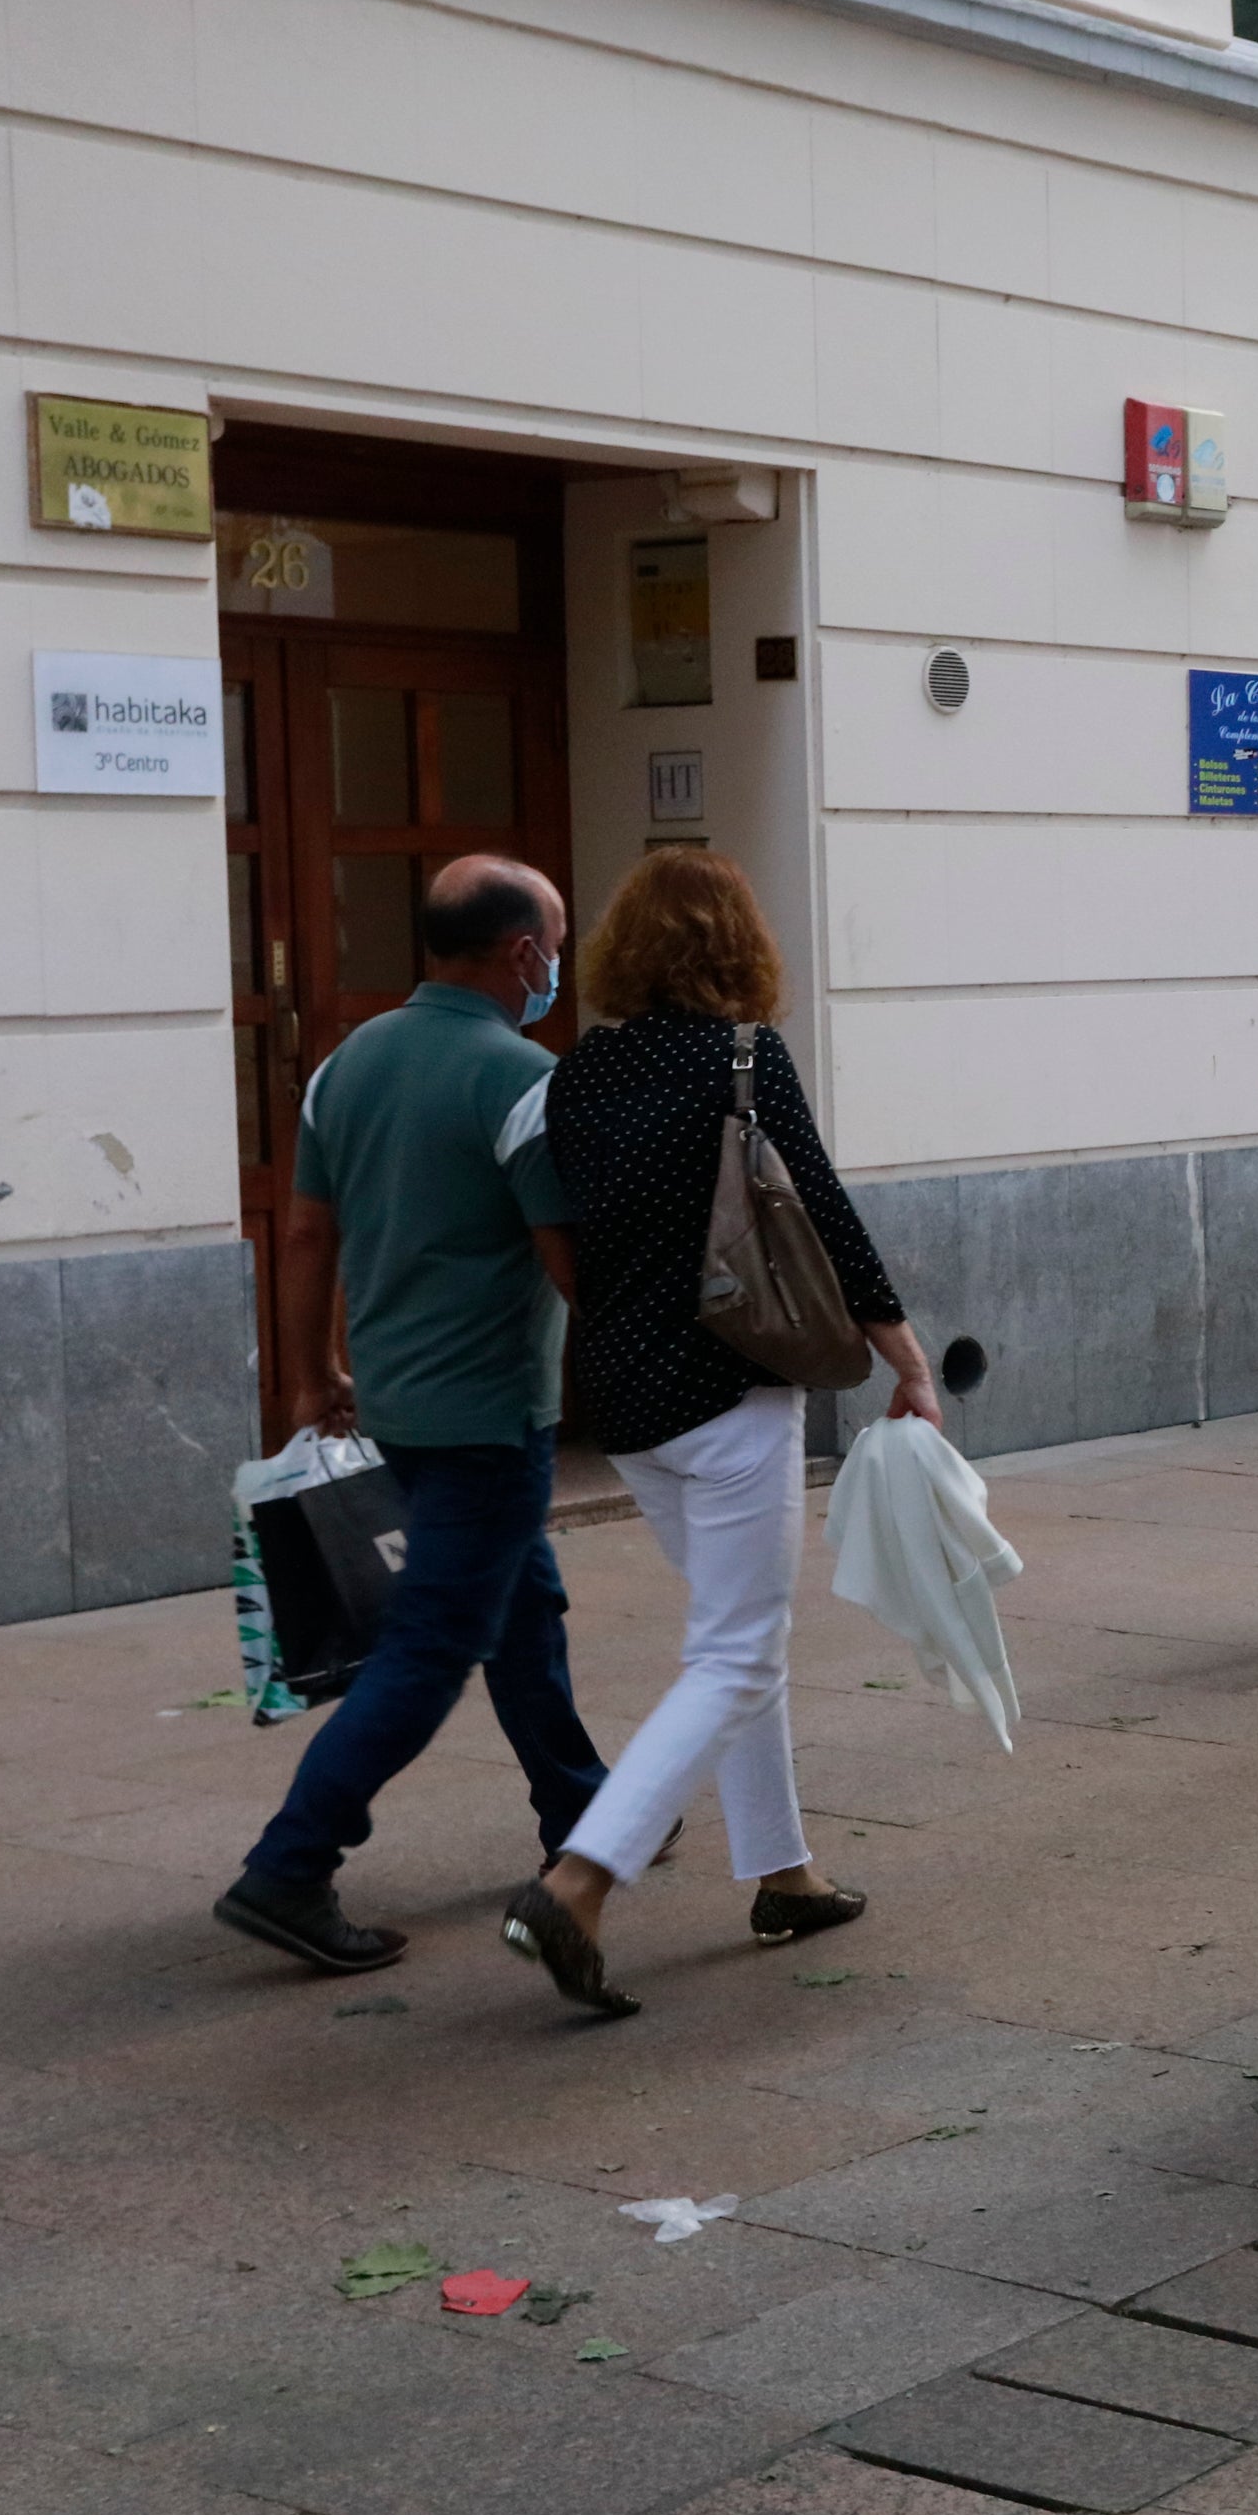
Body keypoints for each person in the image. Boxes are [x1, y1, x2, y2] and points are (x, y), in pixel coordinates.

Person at [498, 850, 937, 2016]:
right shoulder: (741, 1056)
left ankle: (782, 1871)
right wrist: (903, 1355)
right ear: (738, 943)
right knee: (734, 1650)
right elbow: (822, 1208)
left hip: (628, 1404)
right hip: (732, 1387)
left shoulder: (577, 1074)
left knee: (738, 1637)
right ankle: (581, 1878)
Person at [219, 857, 608, 1976]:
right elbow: (563, 1253)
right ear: (521, 953)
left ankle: (583, 1818)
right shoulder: (520, 1076)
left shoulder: (347, 1064)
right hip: (492, 1411)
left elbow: (302, 1236)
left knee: (521, 1608)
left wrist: (311, 1372)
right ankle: (290, 1865)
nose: (558, 965)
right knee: (430, 1647)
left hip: (395, 1402)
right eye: (558, 942)